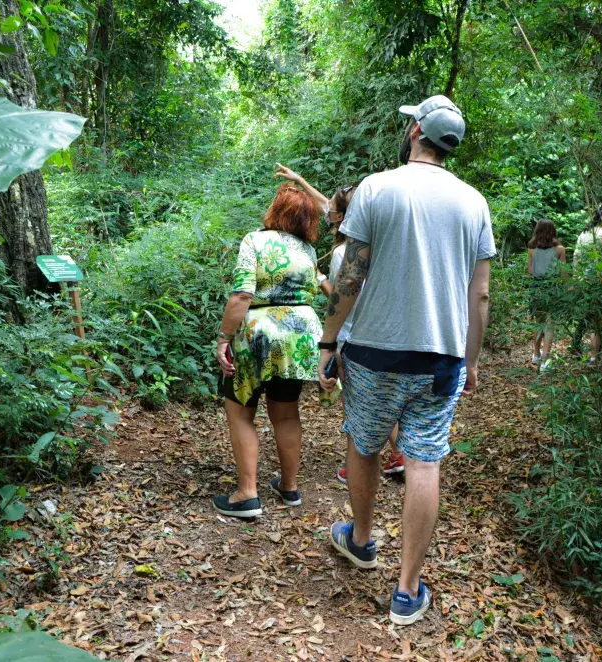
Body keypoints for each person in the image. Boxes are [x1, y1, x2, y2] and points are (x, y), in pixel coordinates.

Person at [317, 95, 494, 626]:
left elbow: (350, 277)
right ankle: (407, 590)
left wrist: (329, 341)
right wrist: (472, 359)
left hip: (373, 349)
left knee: (365, 445)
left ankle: (363, 540)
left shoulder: (377, 188)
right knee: (423, 461)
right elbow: (480, 295)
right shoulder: (474, 203)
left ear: (416, 130)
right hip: (440, 357)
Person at [273, 164, 404, 481]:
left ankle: (356, 466)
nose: (325, 210)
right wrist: (300, 179)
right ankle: (400, 453)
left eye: (332, 208)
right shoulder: (380, 245)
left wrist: (319, 280)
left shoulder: (344, 253)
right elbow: (327, 204)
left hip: (351, 335)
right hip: (384, 331)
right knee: (384, 399)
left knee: (355, 403)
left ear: (345, 216)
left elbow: (341, 296)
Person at [212, 184, 324, 519]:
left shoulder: (255, 240)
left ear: (277, 210)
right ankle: (288, 487)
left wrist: (223, 338)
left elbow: (242, 295)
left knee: (240, 411)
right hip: (300, 336)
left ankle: (247, 494)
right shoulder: (308, 250)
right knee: (287, 412)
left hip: (259, 334)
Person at [572, 204, 602, 358]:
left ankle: (578, 346)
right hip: (600, 280)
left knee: (587, 315)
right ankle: (595, 355)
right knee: (599, 320)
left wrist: (576, 278)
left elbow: (576, 257)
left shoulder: (583, 234)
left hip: (583, 279)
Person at [527, 219, 567, 371]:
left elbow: (530, 271)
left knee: (538, 323)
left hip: (536, 287)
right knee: (549, 324)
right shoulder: (560, 250)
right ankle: (545, 361)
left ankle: (535, 355)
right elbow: (564, 274)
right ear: (553, 232)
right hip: (552, 288)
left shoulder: (531, 249)